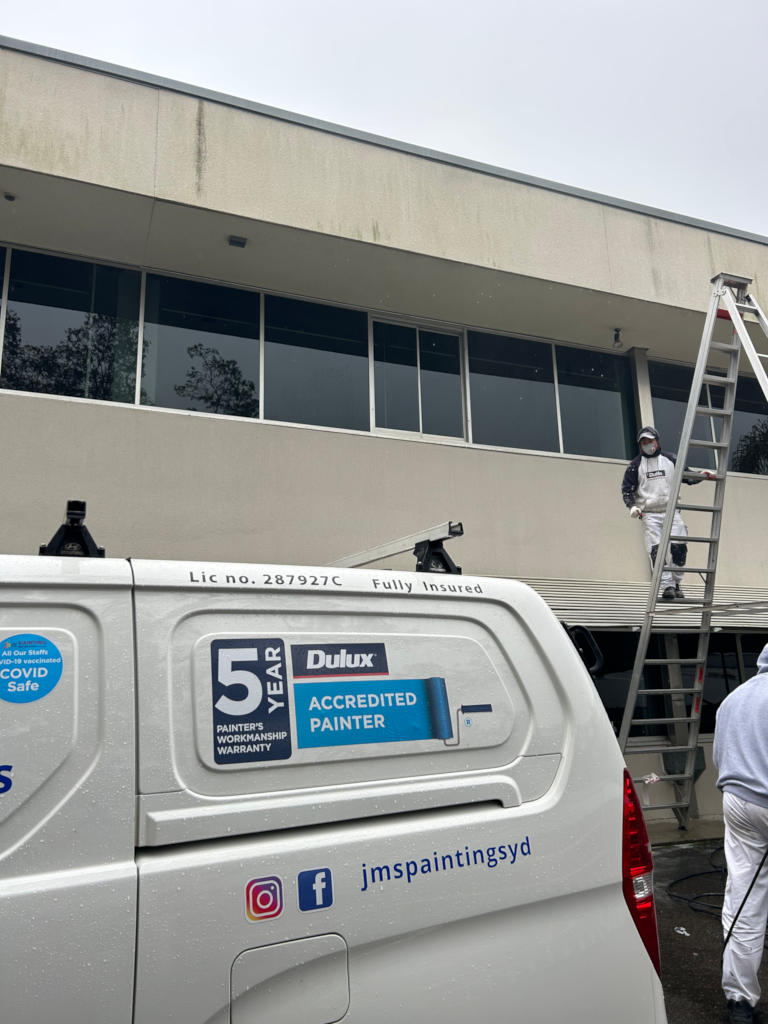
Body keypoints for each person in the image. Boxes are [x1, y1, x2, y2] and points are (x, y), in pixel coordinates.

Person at [713, 643, 768, 1024]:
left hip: (737, 801)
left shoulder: (733, 699)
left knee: (744, 897)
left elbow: (720, 757)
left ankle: (739, 1002)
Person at [621, 426, 712, 601]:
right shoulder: (635, 466)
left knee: (680, 547)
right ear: (640, 445)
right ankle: (667, 586)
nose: (647, 444)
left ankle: (676, 582)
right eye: (643, 442)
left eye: (650, 441)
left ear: (657, 441)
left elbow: (688, 476)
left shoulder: (670, 459)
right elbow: (627, 490)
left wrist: (702, 475)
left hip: (672, 511)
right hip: (650, 514)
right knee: (656, 551)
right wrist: (632, 506)